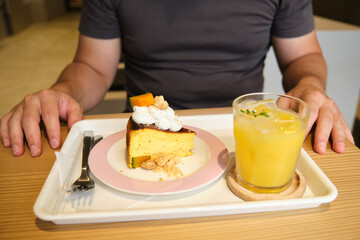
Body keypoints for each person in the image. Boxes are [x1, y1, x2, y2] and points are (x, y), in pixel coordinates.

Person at [0, 0, 354, 157]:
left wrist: (309, 86)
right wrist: (62, 91)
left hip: (243, 136)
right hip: (144, 133)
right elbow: (92, 67)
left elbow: (303, 56)